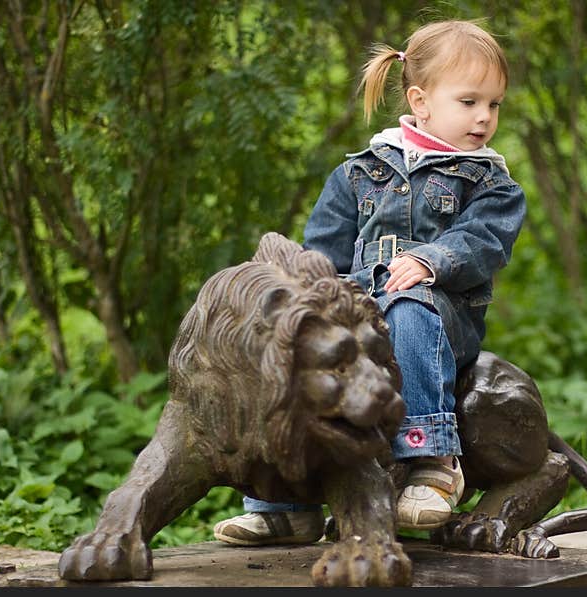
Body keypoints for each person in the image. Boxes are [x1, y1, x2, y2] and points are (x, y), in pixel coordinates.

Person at [213, 19, 526, 546]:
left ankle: (431, 460)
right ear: (420, 101)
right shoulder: (360, 172)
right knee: (301, 340)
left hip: (437, 318)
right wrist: (307, 298)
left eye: (493, 105)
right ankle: (282, 501)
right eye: (469, 101)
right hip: (359, 312)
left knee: (408, 306)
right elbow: (322, 249)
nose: (484, 117)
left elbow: (486, 241)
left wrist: (431, 260)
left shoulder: (490, 181)